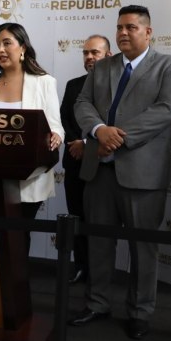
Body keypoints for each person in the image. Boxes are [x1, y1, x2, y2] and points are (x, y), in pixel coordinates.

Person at [71, 5, 171, 340]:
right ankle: (97, 304)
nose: (123, 33)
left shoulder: (170, 66)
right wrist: (98, 131)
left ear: (148, 32)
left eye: (131, 27)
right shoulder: (103, 66)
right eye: (119, 27)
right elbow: (83, 103)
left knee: (143, 249)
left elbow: (166, 111)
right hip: (99, 171)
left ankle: (140, 312)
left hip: (143, 174)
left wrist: (116, 137)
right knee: (99, 244)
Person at [0, 22, 64, 253]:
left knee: (17, 237)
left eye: (7, 43)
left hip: (27, 177)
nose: (1, 50)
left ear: (22, 47)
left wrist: (55, 136)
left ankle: (15, 287)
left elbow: (56, 126)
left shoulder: (43, 82)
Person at [60, 35, 112, 284]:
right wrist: (75, 143)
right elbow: (63, 121)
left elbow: (111, 126)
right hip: (74, 161)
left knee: (99, 222)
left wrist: (87, 144)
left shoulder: (117, 87)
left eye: (95, 53)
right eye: (85, 53)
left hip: (103, 165)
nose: (89, 57)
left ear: (108, 56)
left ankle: (99, 273)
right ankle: (80, 265)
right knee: (76, 218)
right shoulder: (73, 85)